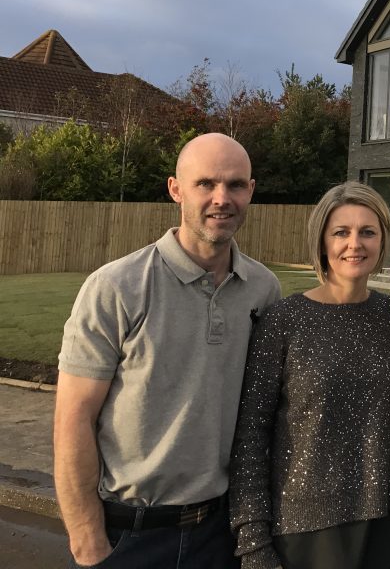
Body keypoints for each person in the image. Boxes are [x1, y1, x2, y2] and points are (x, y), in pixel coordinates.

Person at [54, 132, 282, 569]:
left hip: (219, 535)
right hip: (128, 537)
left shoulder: (262, 290)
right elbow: (72, 419)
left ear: (251, 191)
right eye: (205, 184)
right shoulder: (116, 287)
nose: (222, 198)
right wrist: (88, 542)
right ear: (176, 189)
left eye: (236, 185)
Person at [229, 182, 390, 569]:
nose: (354, 244)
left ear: (382, 241)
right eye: (341, 232)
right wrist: (252, 541)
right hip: (303, 529)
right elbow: (250, 434)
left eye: (367, 232)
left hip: (383, 523)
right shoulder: (285, 320)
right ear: (322, 241)